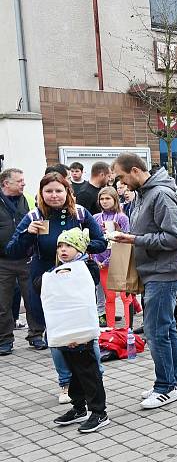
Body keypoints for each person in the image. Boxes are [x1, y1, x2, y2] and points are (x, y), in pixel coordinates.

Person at [6, 172, 106, 402]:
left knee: (86, 331)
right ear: (41, 193)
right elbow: (13, 250)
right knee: (56, 333)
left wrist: (80, 243)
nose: (53, 195)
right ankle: (66, 383)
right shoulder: (34, 216)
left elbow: (100, 243)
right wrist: (26, 234)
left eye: (58, 190)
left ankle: (94, 376)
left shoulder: (80, 213)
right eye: (48, 191)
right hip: (47, 283)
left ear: (67, 192)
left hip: (78, 282)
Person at [111, 153, 177, 410]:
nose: (119, 184)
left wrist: (135, 240)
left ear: (134, 171)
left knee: (156, 332)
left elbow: (175, 238)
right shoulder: (145, 193)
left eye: (121, 178)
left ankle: (165, 387)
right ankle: (172, 381)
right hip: (156, 270)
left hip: (164, 272)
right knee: (164, 329)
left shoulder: (160, 194)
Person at [45, 228, 110, 434]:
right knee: (73, 371)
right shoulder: (57, 270)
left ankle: (99, 412)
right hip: (65, 330)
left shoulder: (87, 267)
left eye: (69, 246)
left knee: (88, 371)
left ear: (80, 248)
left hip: (81, 331)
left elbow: (84, 293)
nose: (63, 250)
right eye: (60, 246)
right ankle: (79, 407)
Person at [0, 168, 46, 356]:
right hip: (3, 261)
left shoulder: (27, 198)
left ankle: (35, 335)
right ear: (5, 184)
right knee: (2, 303)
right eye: (19, 181)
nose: (23, 183)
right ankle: (4, 340)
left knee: (33, 299)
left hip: (27, 258)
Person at [92, 187, 132, 330]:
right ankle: (110, 329)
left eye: (108, 198)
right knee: (109, 298)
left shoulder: (122, 217)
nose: (104, 201)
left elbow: (127, 241)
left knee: (125, 297)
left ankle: (129, 329)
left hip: (119, 263)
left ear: (115, 199)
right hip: (102, 263)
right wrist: (96, 259)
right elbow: (94, 240)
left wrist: (118, 230)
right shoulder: (96, 218)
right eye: (102, 199)